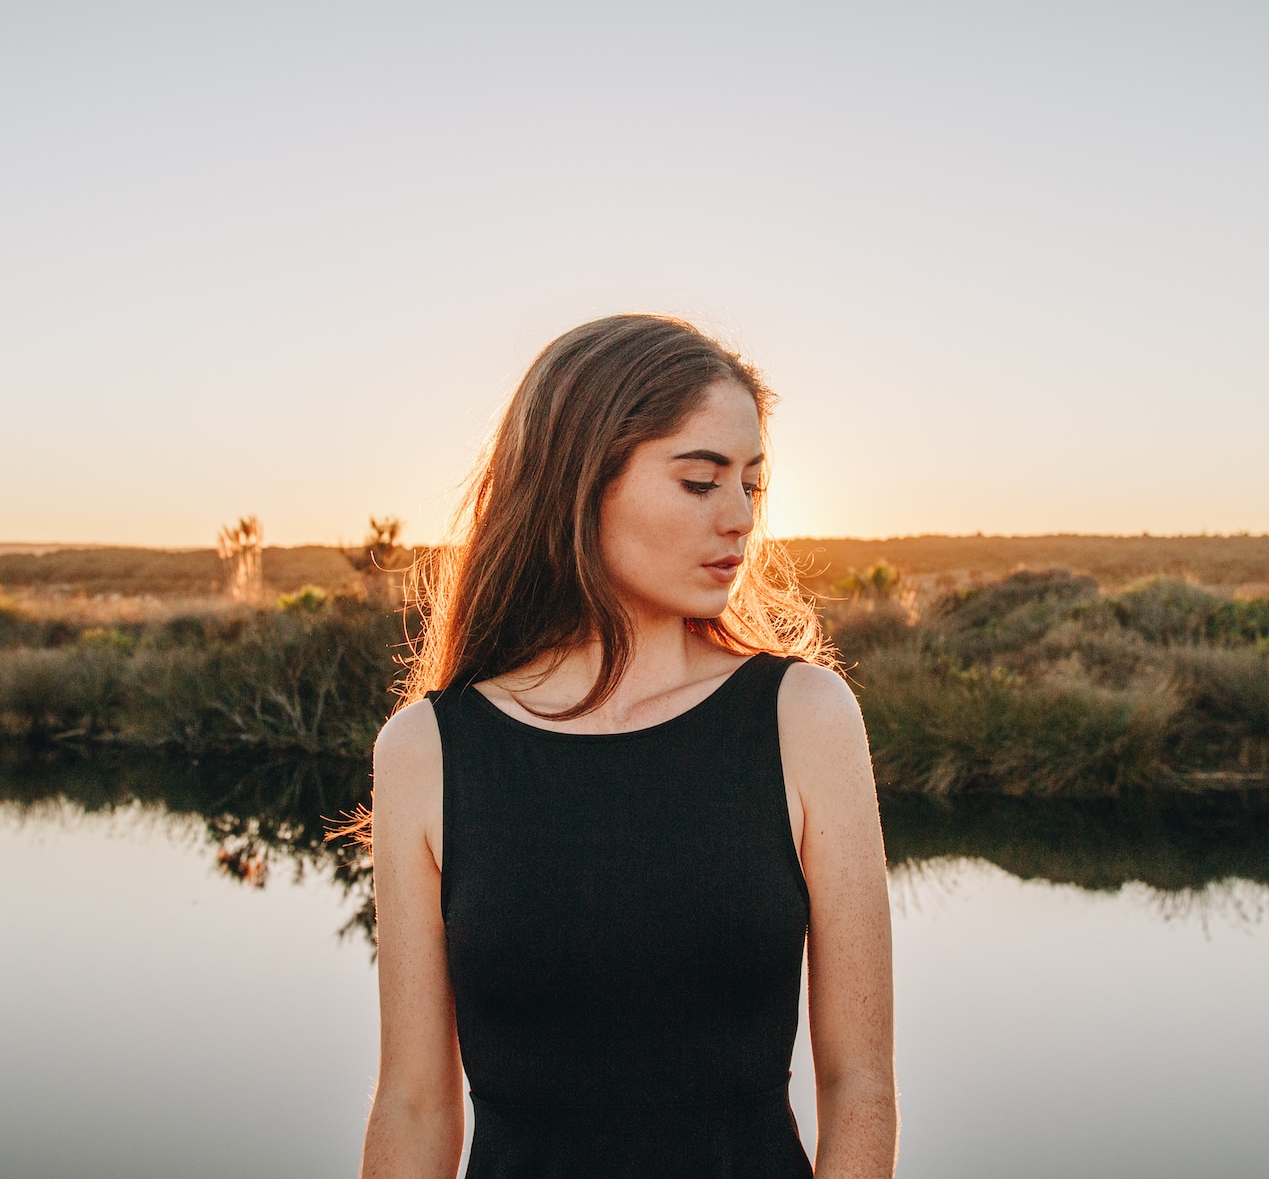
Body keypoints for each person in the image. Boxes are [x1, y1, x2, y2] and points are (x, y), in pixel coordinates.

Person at [359, 315, 897, 1177]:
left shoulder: (803, 717)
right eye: (699, 481)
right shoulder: (429, 748)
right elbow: (415, 1103)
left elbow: (859, 1083)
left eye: (751, 486)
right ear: (579, 481)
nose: (739, 519)